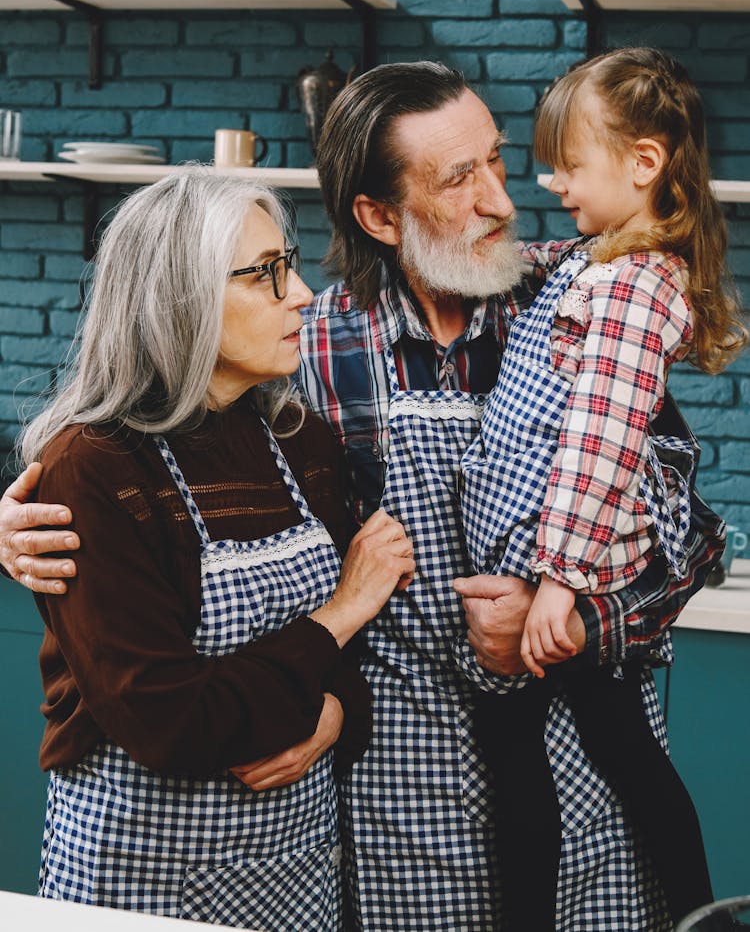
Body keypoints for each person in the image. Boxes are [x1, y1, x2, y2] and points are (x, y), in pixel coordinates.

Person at [0, 63, 726, 930]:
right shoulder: (306, 352)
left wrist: (576, 616)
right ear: (379, 216)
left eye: (497, 161)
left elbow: (693, 537)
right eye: (461, 179)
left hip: (587, 791)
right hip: (400, 819)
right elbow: (159, 466)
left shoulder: (585, 303)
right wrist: (27, 525)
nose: (502, 201)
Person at [15, 170, 414, 931]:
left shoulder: (304, 443)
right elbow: (171, 723)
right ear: (181, 298)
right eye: (267, 275)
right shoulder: (92, 466)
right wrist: (341, 610)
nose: (302, 293)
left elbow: (358, 664)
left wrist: (333, 712)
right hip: (138, 878)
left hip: (295, 870)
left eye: (289, 264)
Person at [458, 47, 746, 930]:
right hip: (547, 554)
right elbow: (529, 260)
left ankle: (698, 915)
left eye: (570, 163)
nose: (551, 180)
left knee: (555, 753)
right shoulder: (597, 260)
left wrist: (560, 576)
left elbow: (602, 439)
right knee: (602, 748)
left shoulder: (636, 286)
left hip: (569, 559)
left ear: (645, 163)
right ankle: (700, 914)